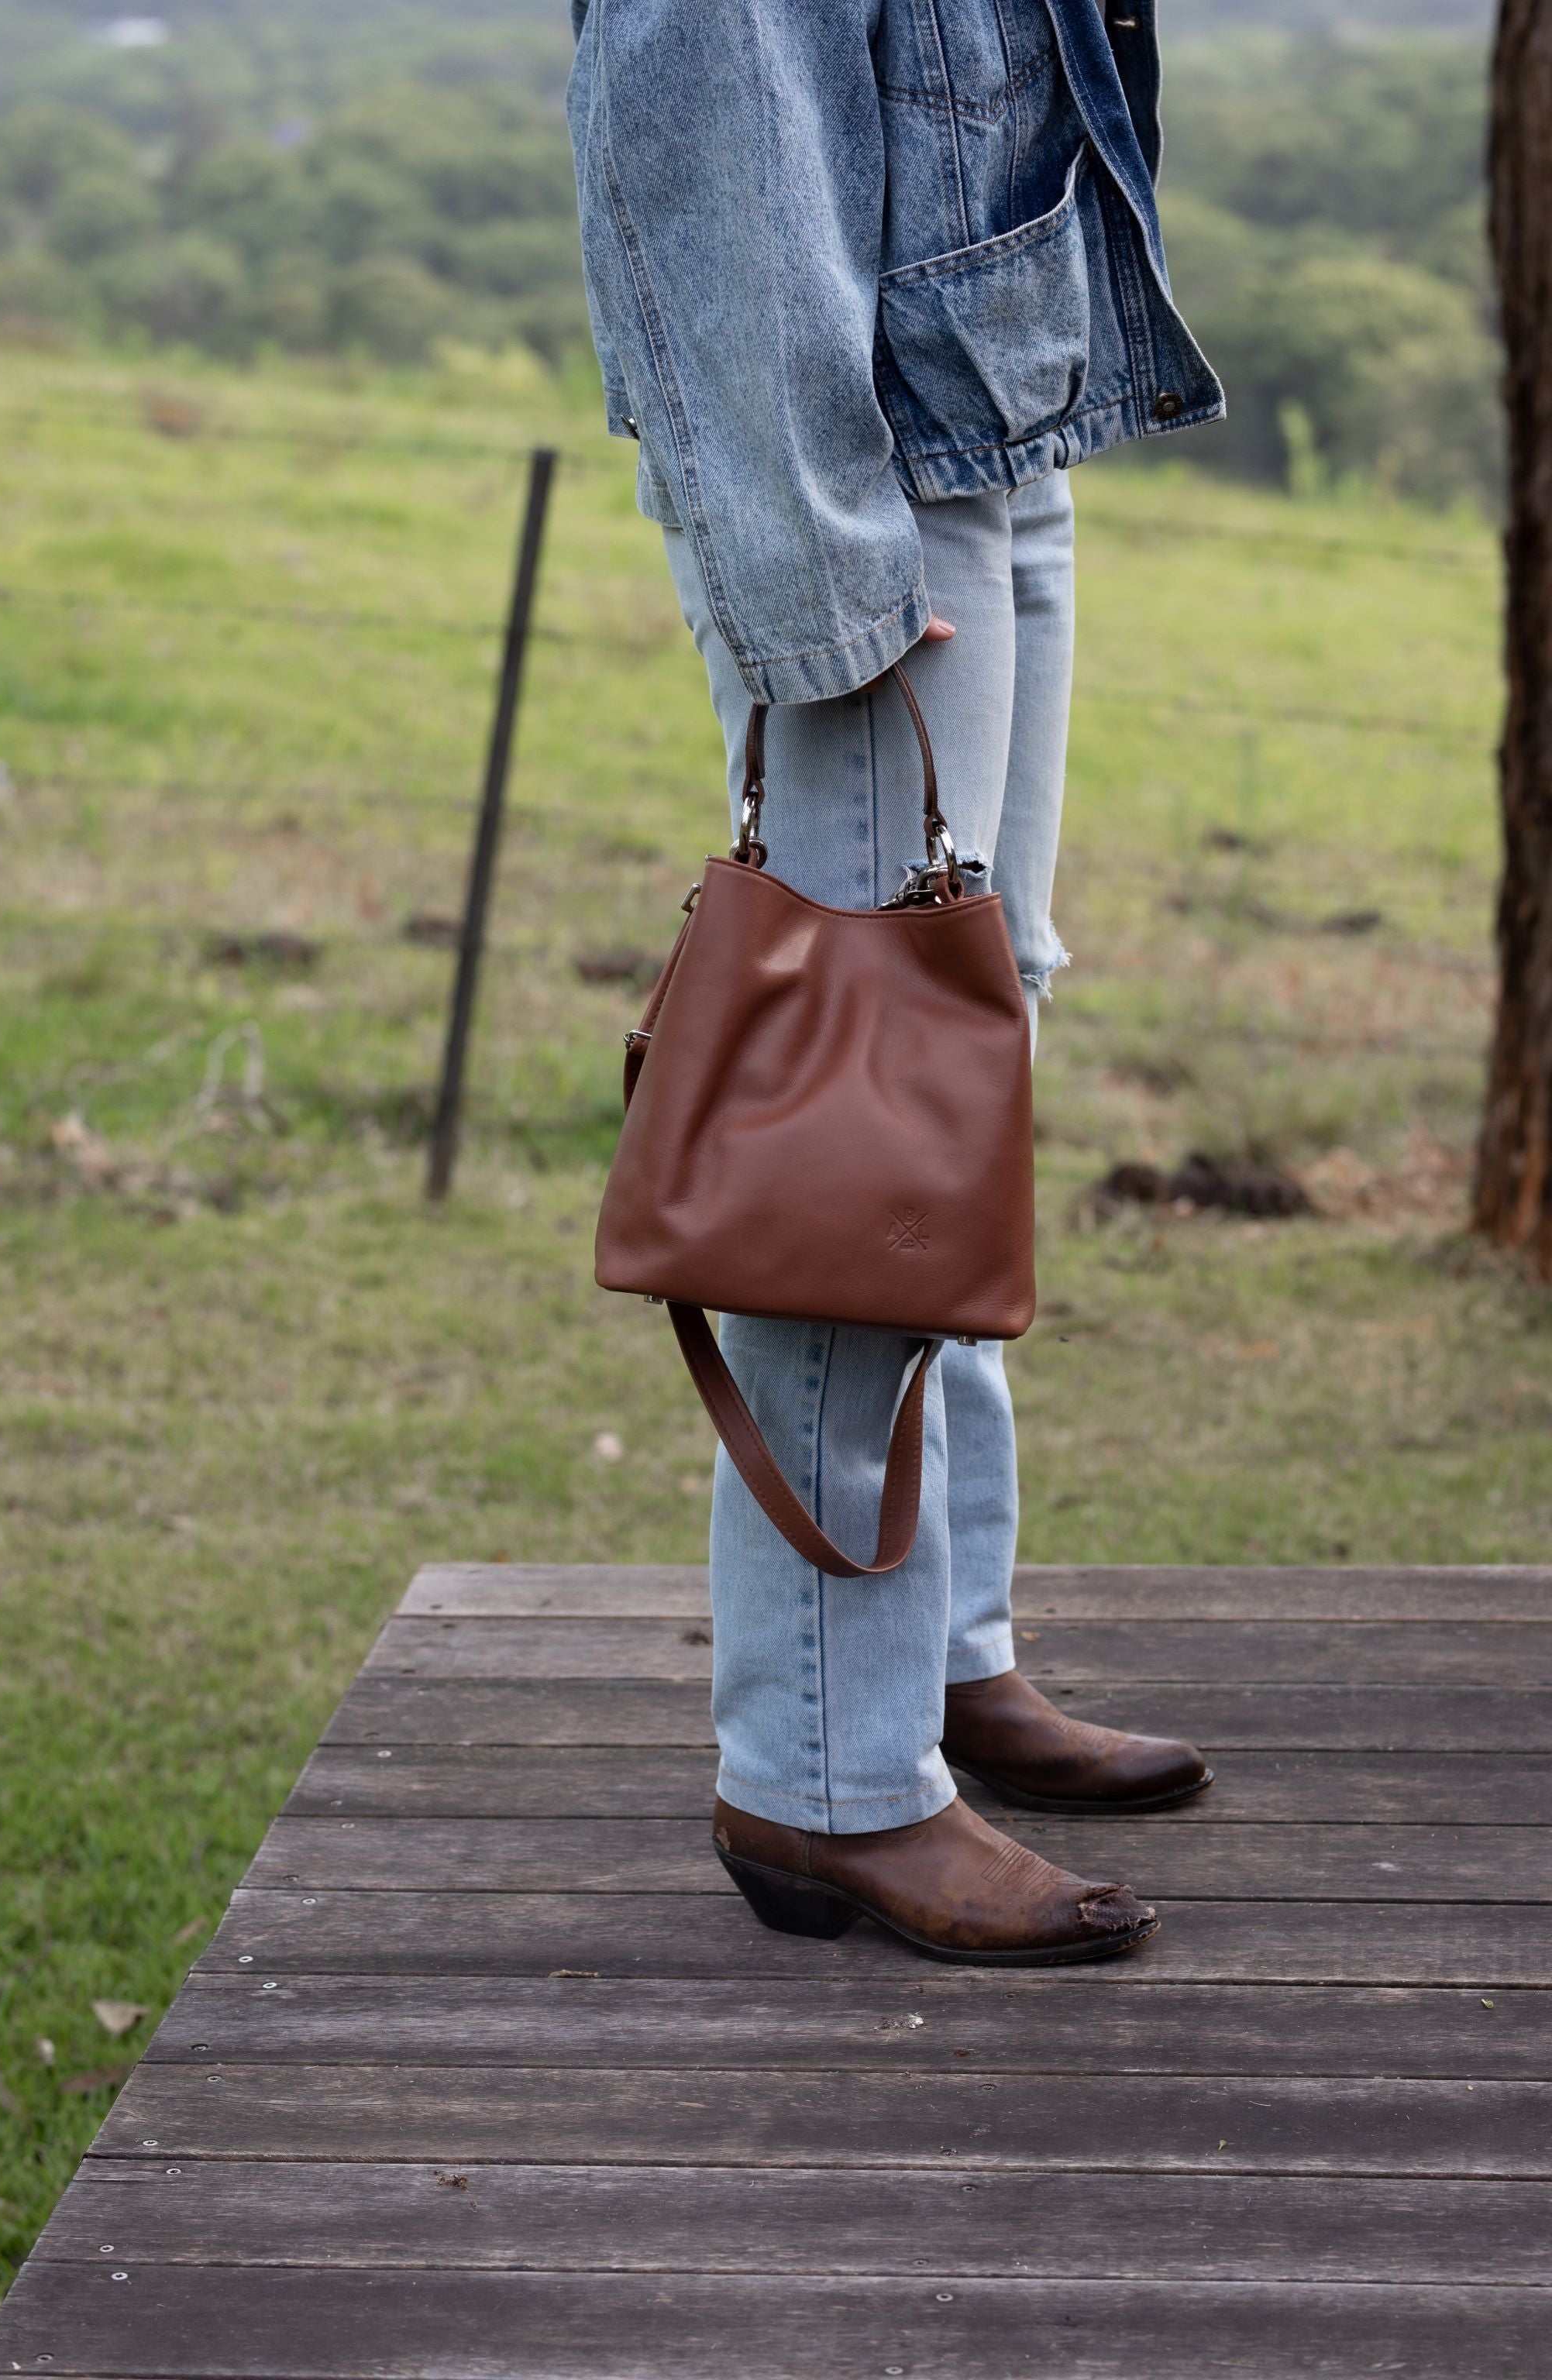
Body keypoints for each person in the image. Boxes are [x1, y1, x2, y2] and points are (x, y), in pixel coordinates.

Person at [567, 0, 1223, 1966]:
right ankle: (827, 1780)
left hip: (987, 430)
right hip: (860, 481)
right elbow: (699, 128)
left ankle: (939, 1656)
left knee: (960, 1062)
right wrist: (817, 573)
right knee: (863, 1112)